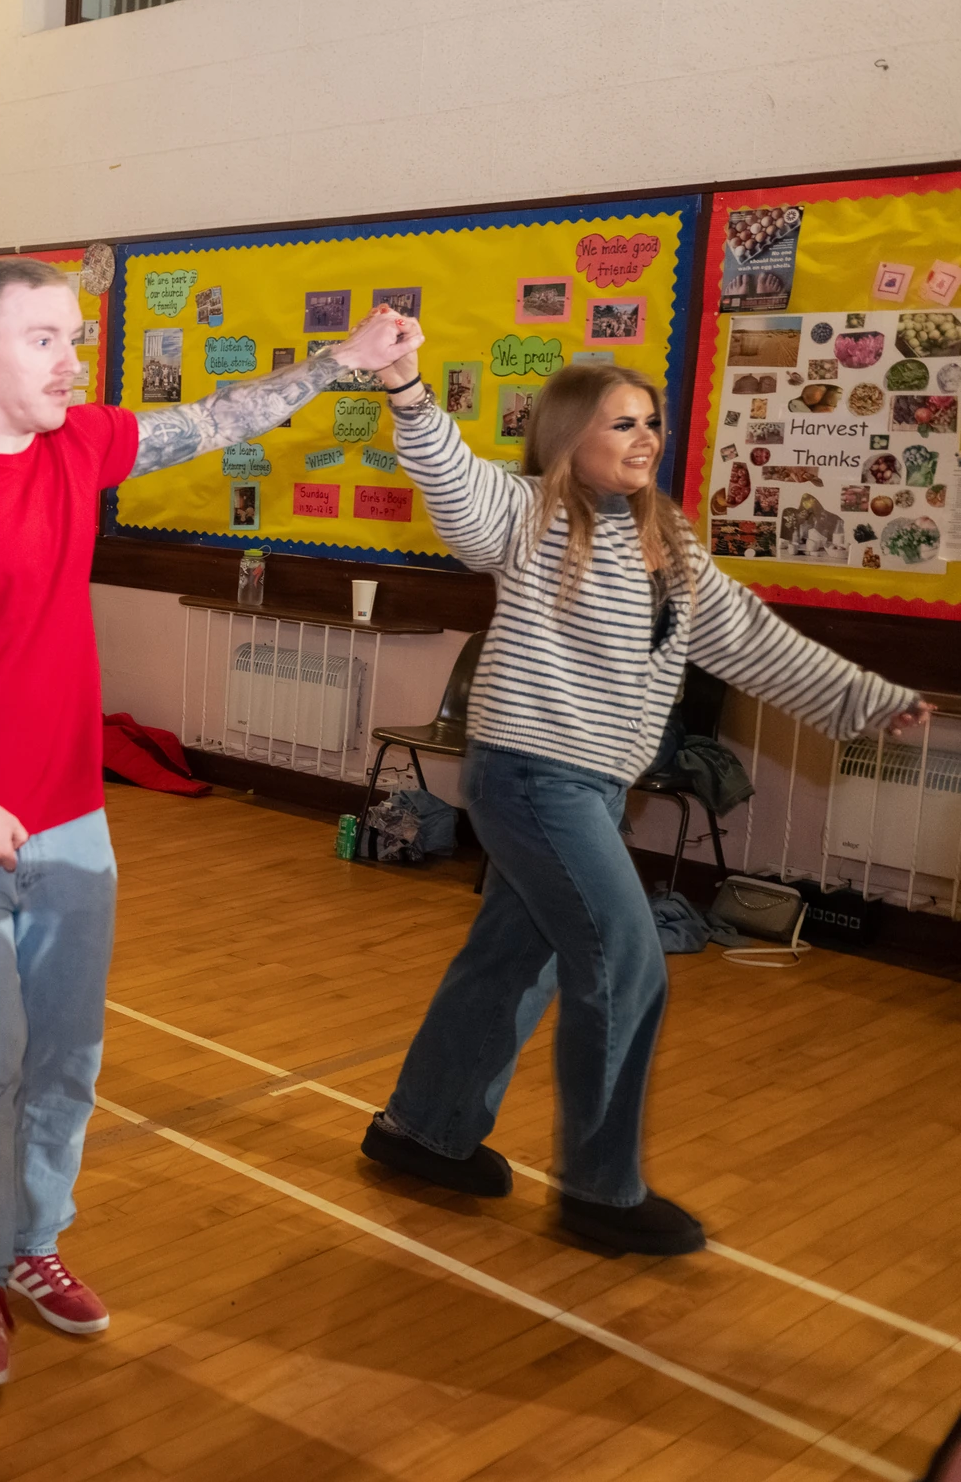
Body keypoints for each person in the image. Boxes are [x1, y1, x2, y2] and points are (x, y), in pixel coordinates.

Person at [0, 257, 415, 1387]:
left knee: (64, 1057)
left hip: (68, 817)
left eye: (74, 337)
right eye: (46, 338)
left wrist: (340, 364)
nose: (72, 359)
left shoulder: (78, 443)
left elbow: (209, 420)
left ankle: (31, 1244)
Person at [359, 360, 926, 1255]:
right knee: (626, 967)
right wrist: (409, 396)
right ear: (565, 438)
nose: (646, 438)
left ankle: (422, 1130)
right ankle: (599, 1192)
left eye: (651, 422)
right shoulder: (529, 514)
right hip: (531, 776)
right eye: (622, 424)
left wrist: (863, 698)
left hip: (586, 785)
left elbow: (750, 639)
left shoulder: (669, 541)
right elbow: (455, 487)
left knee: (515, 956)